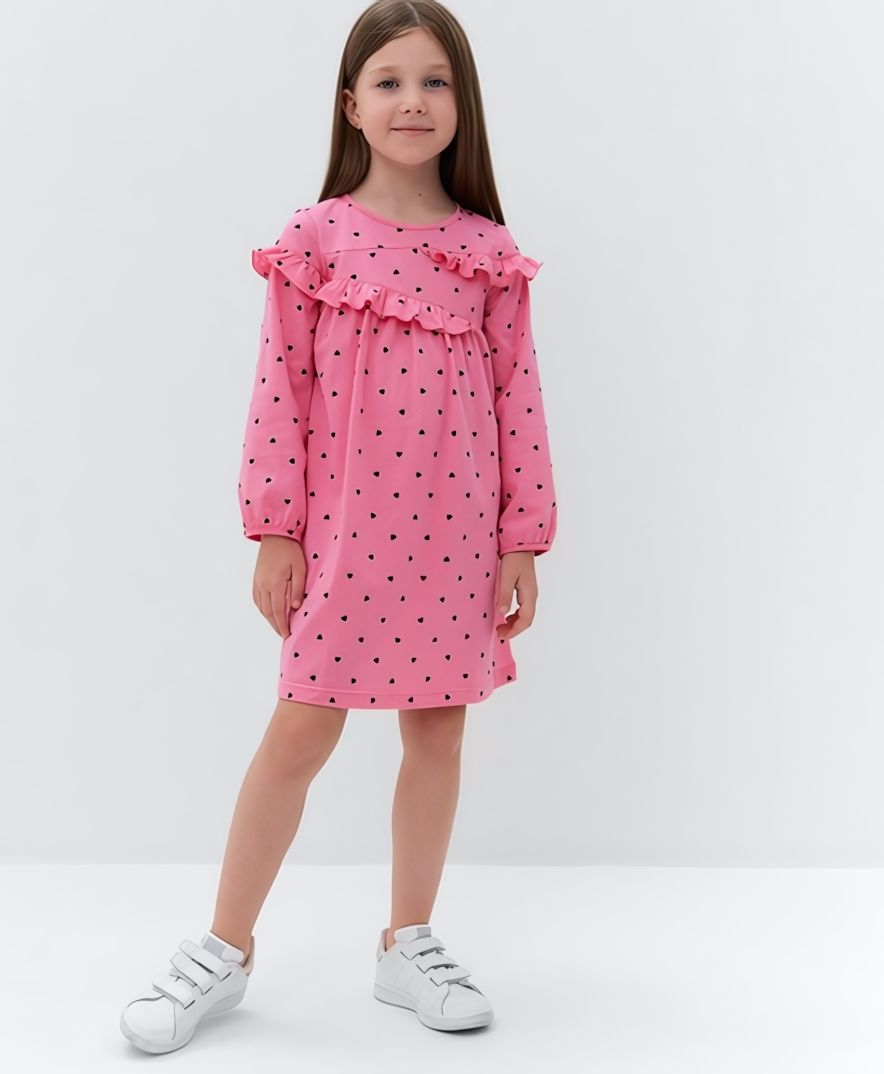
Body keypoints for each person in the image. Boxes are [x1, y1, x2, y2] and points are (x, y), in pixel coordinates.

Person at [119, 0, 557, 1053]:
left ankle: (409, 941)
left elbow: (519, 398)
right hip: (347, 535)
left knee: (438, 730)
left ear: (462, 103)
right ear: (351, 104)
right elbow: (282, 389)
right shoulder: (315, 241)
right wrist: (276, 529)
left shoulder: (487, 252)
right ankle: (225, 947)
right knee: (301, 731)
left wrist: (521, 538)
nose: (414, 100)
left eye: (436, 81)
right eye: (391, 81)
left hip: (455, 535)